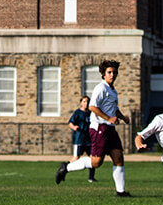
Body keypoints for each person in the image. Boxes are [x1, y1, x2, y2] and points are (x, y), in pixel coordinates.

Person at [56, 60, 131, 197]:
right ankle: (66, 167)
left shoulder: (112, 90)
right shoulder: (100, 88)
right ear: (103, 74)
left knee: (118, 157)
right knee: (96, 162)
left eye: (114, 72)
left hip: (110, 128)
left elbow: (113, 108)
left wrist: (122, 117)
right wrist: (108, 118)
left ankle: (120, 192)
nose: (112, 75)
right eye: (109, 72)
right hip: (99, 128)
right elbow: (92, 107)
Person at [68, 95, 96, 183]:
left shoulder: (90, 113)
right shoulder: (77, 113)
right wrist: (74, 127)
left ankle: (91, 178)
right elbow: (70, 123)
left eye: (87, 101)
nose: (86, 103)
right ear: (81, 103)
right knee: (76, 158)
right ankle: (64, 169)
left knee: (93, 158)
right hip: (79, 139)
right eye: (84, 101)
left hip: (89, 140)